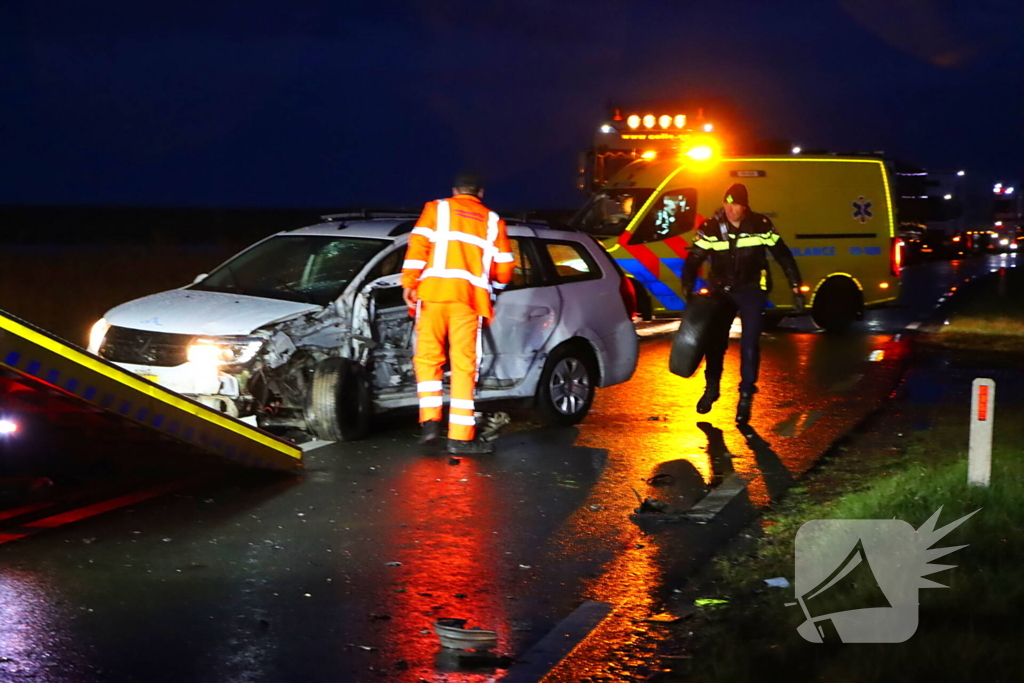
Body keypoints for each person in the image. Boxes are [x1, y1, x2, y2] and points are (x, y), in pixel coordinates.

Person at [401, 172, 515, 454]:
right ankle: (460, 439)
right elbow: (505, 266)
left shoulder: (436, 209)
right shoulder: (492, 220)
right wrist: (494, 290)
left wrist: (409, 283)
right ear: (481, 193)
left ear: (455, 190)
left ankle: (429, 423)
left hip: (432, 295)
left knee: (427, 360)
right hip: (467, 301)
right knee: (464, 366)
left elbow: (417, 247)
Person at [679, 183, 805, 423]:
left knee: (749, 344)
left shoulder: (760, 225)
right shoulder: (711, 228)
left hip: (752, 291)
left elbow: (782, 254)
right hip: (722, 292)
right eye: (727, 203)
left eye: (735, 204)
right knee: (715, 343)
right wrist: (687, 287)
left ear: (745, 206)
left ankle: (746, 396)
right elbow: (694, 258)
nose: (730, 208)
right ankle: (711, 388)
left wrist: (796, 288)